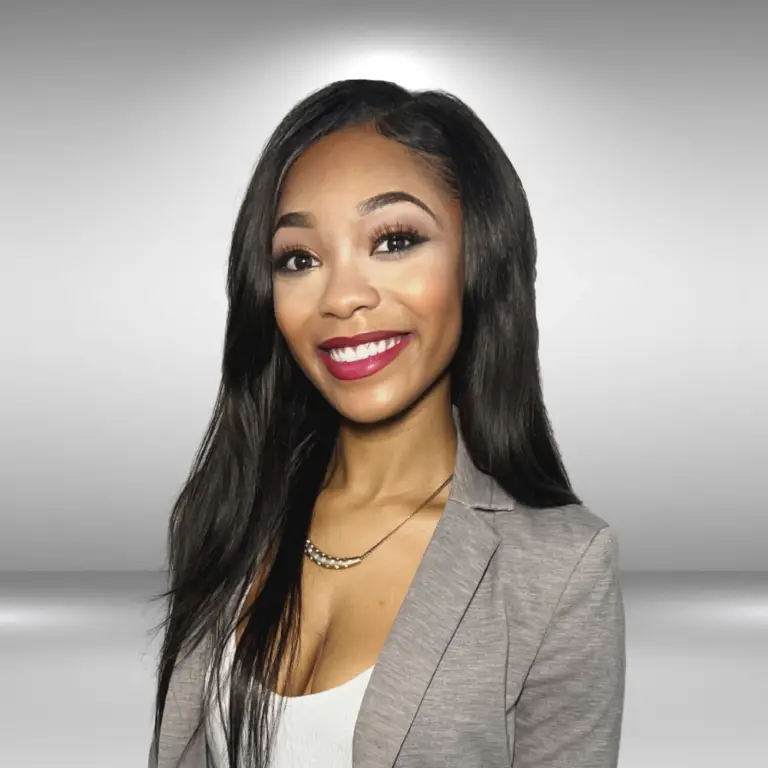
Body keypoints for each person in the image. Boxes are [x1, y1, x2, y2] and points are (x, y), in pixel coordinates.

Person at [147, 78, 626, 768]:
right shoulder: (227, 519)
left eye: (395, 240)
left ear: (479, 258)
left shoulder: (555, 568)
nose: (342, 297)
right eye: (300, 259)